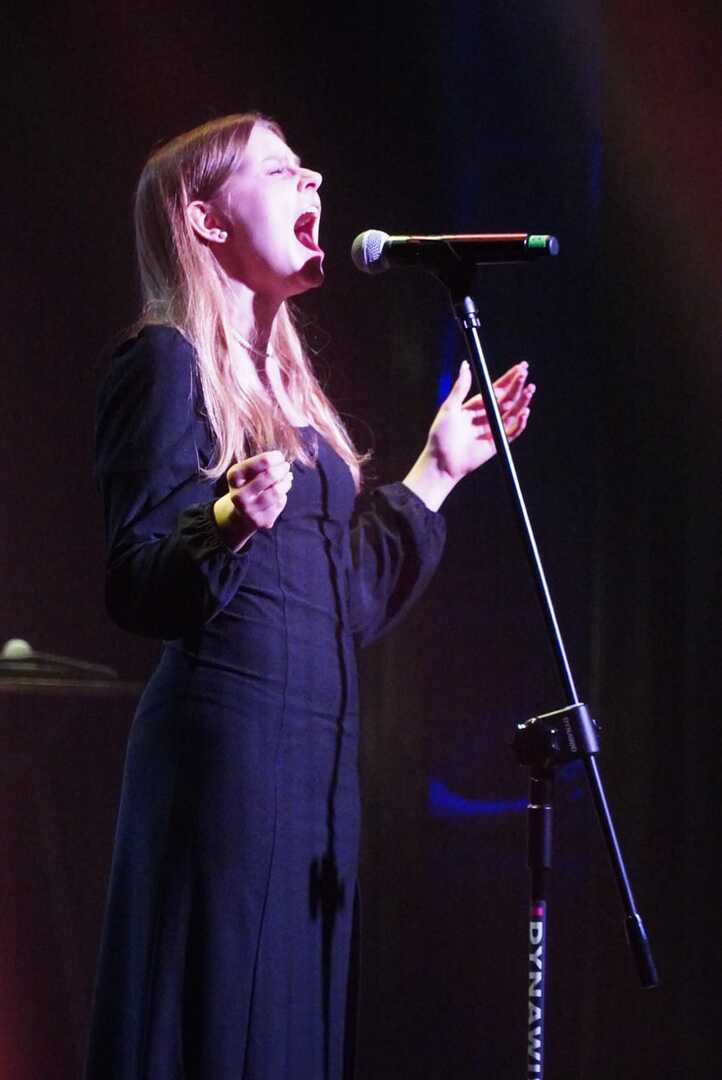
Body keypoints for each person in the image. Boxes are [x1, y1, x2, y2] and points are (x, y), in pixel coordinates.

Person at [85, 113, 534, 1080]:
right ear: (205, 219)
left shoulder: (297, 407)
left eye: (310, 170)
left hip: (317, 775)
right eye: (281, 170)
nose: (314, 183)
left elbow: (346, 606)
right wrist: (224, 523)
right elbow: (133, 578)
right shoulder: (168, 362)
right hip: (226, 766)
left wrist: (436, 472)